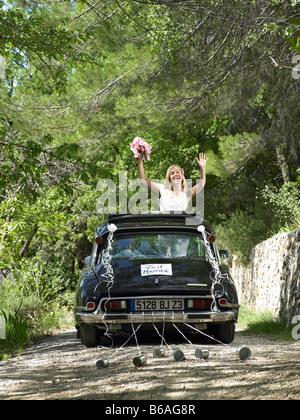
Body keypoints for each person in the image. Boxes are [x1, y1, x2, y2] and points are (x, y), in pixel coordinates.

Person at [136, 152, 208, 211]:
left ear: (182, 175)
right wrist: (140, 163)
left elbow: (201, 184)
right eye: (172, 173)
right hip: (164, 226)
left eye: (177, 172)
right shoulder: (163, 189)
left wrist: (202, 168)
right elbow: (144, 182)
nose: (175, 174)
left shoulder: (186, 193)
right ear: (169, 178)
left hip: (178, 227)